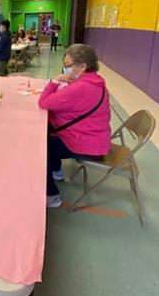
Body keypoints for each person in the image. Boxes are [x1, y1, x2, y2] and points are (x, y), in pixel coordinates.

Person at [38, 44, 111, 208]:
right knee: (50, 135)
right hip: (96, 138)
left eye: (68, 65)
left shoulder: (81, 87)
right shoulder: (96, 81)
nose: (65, 69)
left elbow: (43, 102)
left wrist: (55, 81)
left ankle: (52, 195)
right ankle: (56, 172)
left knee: (42, 146)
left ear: (83, 66)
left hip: (89, 145)